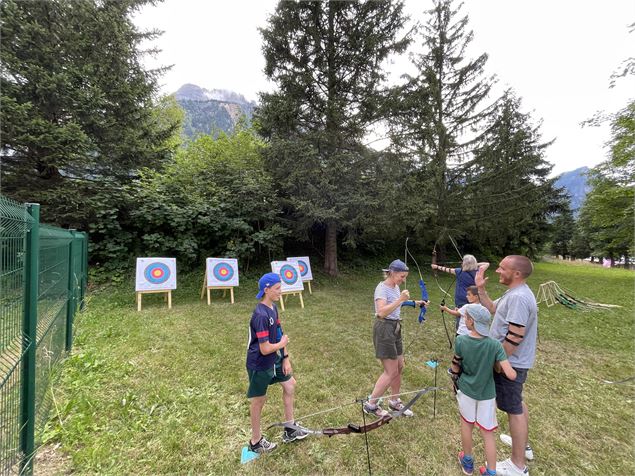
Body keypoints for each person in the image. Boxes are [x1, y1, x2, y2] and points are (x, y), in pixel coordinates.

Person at [475, 256, 538, 476]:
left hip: (511, 363)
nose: (498, 271)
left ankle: (517, 465)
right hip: (512, 362)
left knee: (513, 409)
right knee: (517, 403)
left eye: (503, 268)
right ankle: (523, 444)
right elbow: (493, 309)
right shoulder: (514, 293)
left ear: (517, 274)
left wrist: (498, 363)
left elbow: (514, 336)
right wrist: (481, 289)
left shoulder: (519, 297)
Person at [246, 272, 308, 453]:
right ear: (266, 290)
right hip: (260, 362)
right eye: (277, 288)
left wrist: (286, 357)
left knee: (289, 386)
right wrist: (282, 344)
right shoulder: (260, 315)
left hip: (276, 358)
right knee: (259, 400)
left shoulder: (273, 307)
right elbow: (264, 348)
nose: (281, 291)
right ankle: (255, 442)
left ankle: (290, 429)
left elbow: (280, 332)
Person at [364, 259, 428, 417]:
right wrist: (401, 299)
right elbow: (381, 312)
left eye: (405, 276)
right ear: (391, 273)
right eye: (401, 276)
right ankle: (370, 405)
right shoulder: (382, 289)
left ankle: (394, 401)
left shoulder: (395, 286)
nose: (403, 279)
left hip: (395, 328)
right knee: (390, 371)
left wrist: (416, 303)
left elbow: (397, 304)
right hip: (384, 328)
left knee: (399, 366)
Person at [431, 254, 480, 331]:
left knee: (460, 319)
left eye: (463, 262)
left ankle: (460, 334)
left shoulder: (459, 272)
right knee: (471, 318)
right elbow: (487, 264)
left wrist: (436, 266)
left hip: (462, 300)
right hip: (473, 299)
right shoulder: (477, 272)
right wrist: (472, 264)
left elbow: (447, 269)